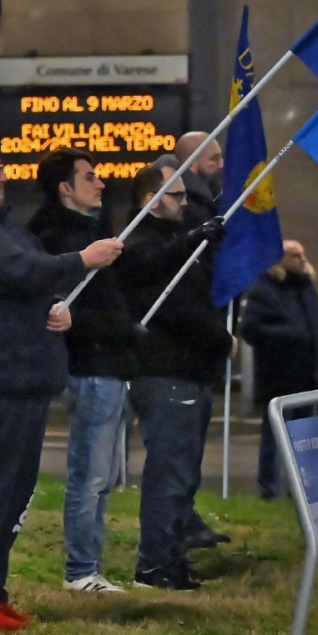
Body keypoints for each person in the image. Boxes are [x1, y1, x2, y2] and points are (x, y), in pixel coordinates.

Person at [0, 138, 122, 630]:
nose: (3, 177)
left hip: (16, 375)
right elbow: (18, 270)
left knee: (14, 491)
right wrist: (83, 259)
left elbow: (28, 281)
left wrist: (53, 307)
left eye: (1, 168)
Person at [116, 164, 232, 590]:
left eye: (186, 195)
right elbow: (171, 299)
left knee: (184, 474)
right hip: (165, 373)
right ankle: (154, 565)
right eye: (176, 195)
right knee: (170, 473)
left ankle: (173, 558)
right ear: (149, 199)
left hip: (189, 372)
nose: (185, 203)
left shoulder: (175, 243)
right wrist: (221, 340)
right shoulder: (139, 243)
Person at [27, 148, 138, 595]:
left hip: (110, 363)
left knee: (103, 473)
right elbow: (56, 305)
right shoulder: (54, 238)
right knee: (90, 473)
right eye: (90, 177)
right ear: (65, 187)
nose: (102, 183)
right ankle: (81, 569)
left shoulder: (99, 232)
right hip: (89, 366)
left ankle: (90, 563)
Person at [239, 240, 318, 500]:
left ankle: (303, 489)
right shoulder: (263, 290)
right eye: (295, 255)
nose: (302, 260)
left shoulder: (305, 287)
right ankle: (269, 489)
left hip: (307, 371)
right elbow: (251, 329)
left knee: (307, 434)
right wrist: (291, 335)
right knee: (275, 436)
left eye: (303, 254)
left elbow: (317, 318)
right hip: (278, 373)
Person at [173, 131, 224, 229]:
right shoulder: (182, 206)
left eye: (221, 157)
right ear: (190, 163)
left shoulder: (213, 195)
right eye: (214, 159)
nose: (222, 164)